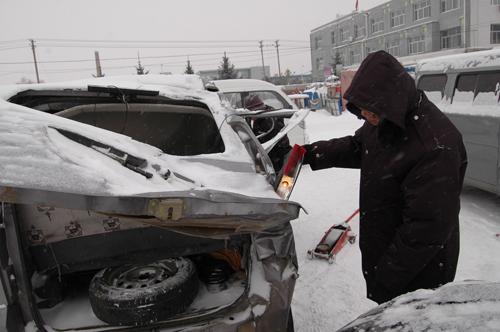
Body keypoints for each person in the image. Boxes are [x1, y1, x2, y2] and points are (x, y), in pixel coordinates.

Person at [302, 50, 468, 304]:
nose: (367, 117)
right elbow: (358, 146)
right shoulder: (388, 116)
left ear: (389, 98)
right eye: (364, 111)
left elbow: (426, 229)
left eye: (371, 112)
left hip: (417, 276)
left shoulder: (434, 146)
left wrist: (387, 277)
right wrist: (309, 154)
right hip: (390, 259)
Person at [244, 94, 292, 172]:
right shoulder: (261, 118)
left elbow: (269, 144)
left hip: (278, 159)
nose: (252, 118)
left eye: (252, 114)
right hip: (272, 158)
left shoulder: (270, 122)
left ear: (258, 110)